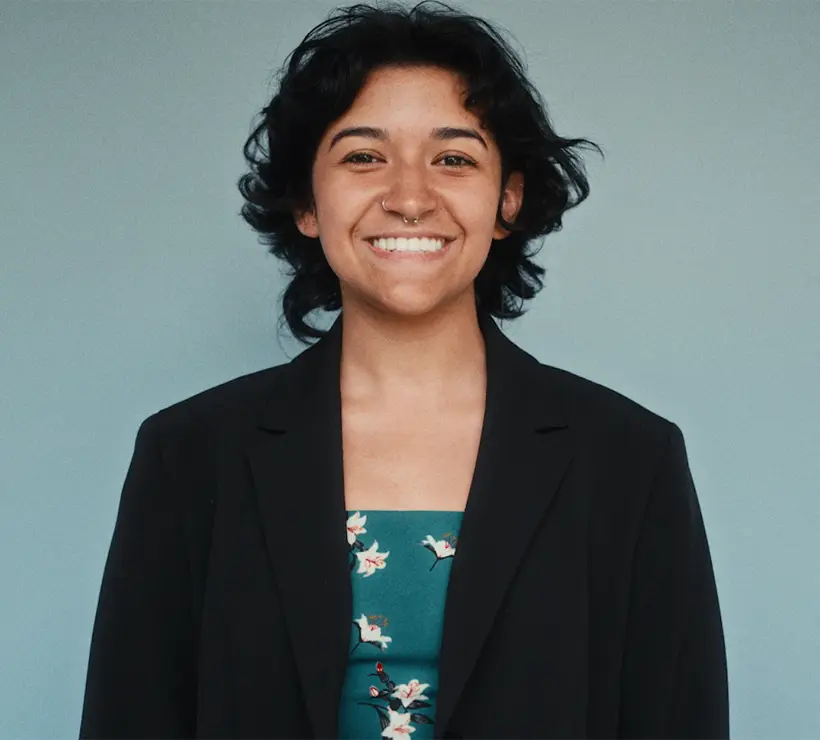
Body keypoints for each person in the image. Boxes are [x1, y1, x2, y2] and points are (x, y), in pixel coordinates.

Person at [78, 2, 729, 738]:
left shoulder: (629, 458)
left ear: (507, 198)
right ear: (306, 202)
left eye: (453, 158)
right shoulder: (190, 454)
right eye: (363, 156)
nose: (411, 198)